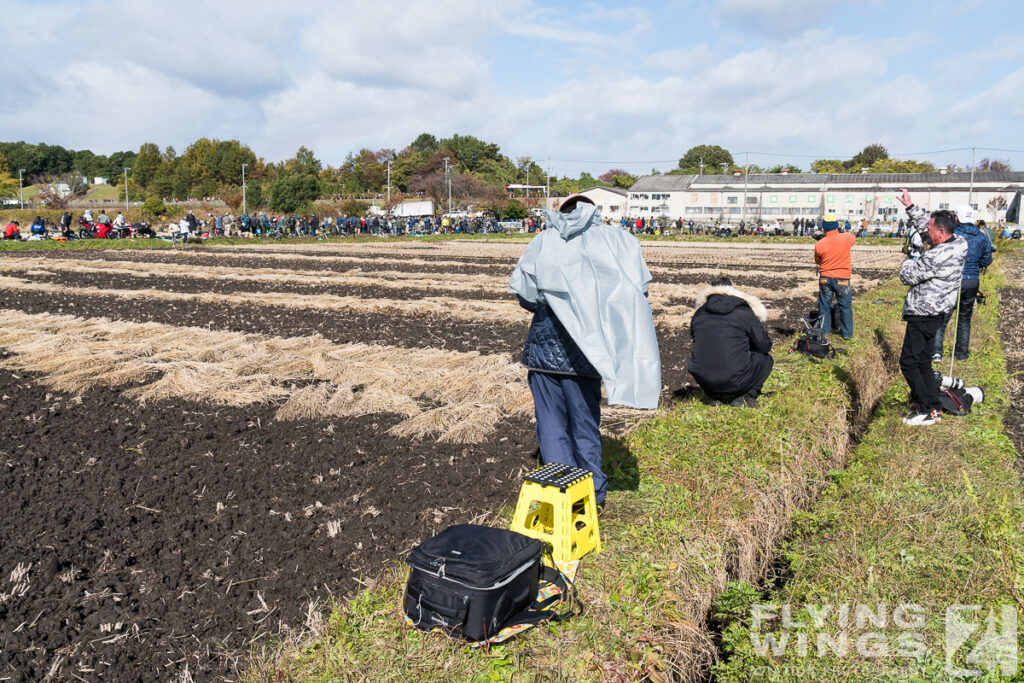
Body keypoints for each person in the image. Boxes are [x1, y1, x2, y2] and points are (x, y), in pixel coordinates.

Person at [509, 195, 660, 512]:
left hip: (545, 352)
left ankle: (562, 495)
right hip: (588, 355)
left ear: (561, 211)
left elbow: (525, 295)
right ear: (593, 211)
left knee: (551, 427)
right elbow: (637, 292)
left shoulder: (544, 241)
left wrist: (554, 304)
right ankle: (593, 496)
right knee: (585, 425)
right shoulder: (617, 242)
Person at [895, 189, 967, 426]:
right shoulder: (959, 242)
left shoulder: (937, 256)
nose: (927, 232)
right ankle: (933, 406)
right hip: (939, 310)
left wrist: (907, 261)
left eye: (931, 230)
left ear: (942, 232)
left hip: (924, 312)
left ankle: (924, 408)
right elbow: (929, 225)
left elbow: (908, 276)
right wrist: (910, 206)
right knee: (924, 361)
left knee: (909, 362)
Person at [686, 277, 773, 407]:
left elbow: (697, 340)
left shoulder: (699, 313)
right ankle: (746, 396)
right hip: (736, 376)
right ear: (732, 290)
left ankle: (714, 395)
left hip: (703, 377)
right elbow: (764, 345)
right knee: (766, 360)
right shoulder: (744, 312)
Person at [932, 205, 993, 362]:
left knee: (942, 316)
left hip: (952, 279)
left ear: (957, 218)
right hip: (972, 280)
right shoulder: (982, 237)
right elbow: (987, 260)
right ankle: (961, 354)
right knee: (965, 319)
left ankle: (937, 352)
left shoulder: (953, 235)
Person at [813, 213, 856, 339]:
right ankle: (847, 334)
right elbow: (853, 238)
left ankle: (824, 333)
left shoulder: (819, 244)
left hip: (825, 278)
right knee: (845, 306)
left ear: (824, 228)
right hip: (843, 279)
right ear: (837, 226)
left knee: (824, 306)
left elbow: (817, 260)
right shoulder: (847, 238)